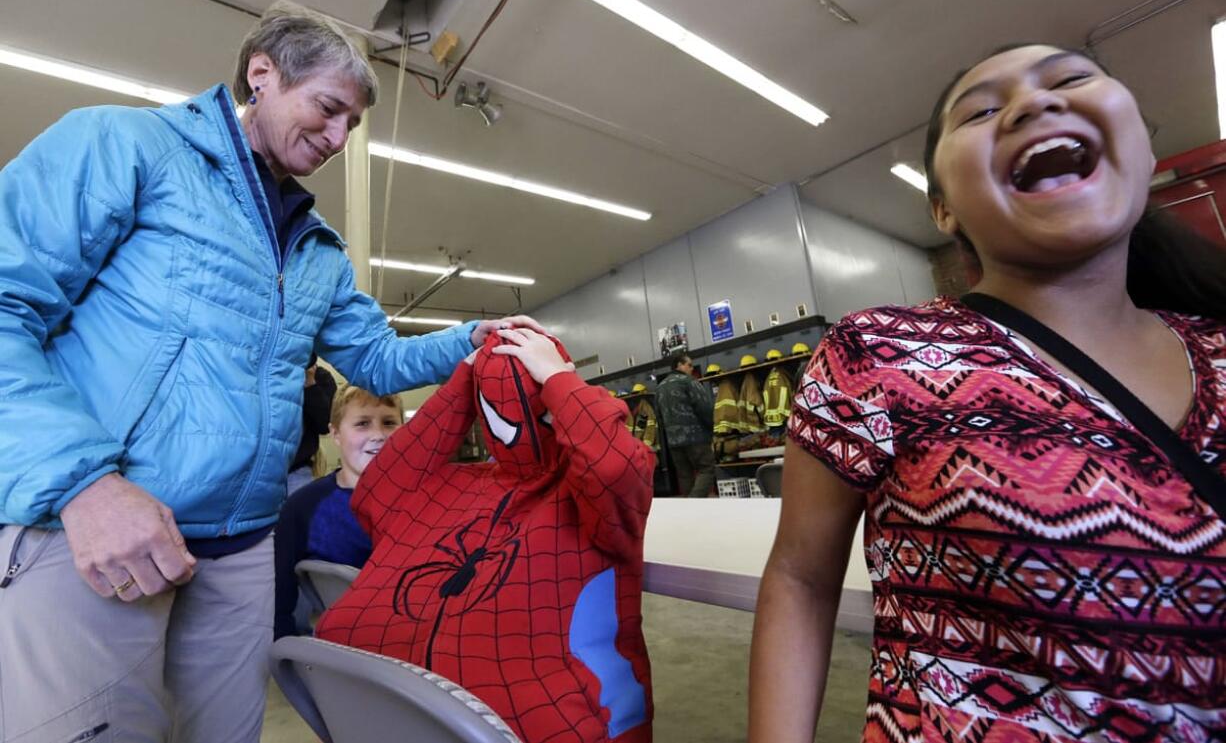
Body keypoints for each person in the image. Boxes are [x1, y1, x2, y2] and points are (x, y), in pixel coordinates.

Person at [0, 1, 538, 743]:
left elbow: (378, 358)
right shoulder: (125, 146)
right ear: (262, 74)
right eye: (327, 109)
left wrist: (478, 336)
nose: (339, 137)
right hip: (95, 530)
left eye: (352, 124)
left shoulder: (318, 248)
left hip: (240, 552)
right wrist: (84, 485)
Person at [749, 44, 1226, 742]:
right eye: (983, 110)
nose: (1036, 103)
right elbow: (799, 576)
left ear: (1143, 149)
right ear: (943, 209)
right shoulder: (878, 352)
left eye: (1070, 79)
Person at [315, 329, 655, 743]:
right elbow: (378, 488)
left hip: (548, 718)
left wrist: (560, 382)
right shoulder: (455, 485)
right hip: (394, 712)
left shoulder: (584, 493)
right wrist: (464, 380)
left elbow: (615, 466)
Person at [273, 385, 402, 639]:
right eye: (362, 423)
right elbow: (280, 600)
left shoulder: (426, 501)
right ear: (335, 434)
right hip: (344, 647)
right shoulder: (303, 508)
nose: (378, 434)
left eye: (389, 423)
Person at [655, 353, 718, 496]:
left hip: (674, 441)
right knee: (706, 469)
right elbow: (704, 408)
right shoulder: (690, 382)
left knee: (684, 475)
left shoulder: (660, 388)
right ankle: (694, 502)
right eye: (689, 365)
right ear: (679, 365)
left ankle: (689, 512)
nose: (691, 368)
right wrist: (710, 431)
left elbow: (659, 418)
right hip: (696, 437)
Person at [287, 353, 339, 496]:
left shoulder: (322, 378)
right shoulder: (272, 374)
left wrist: (310, 384)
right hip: (259, 466)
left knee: (302, 513)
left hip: (298, 467)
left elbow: (325, 425)